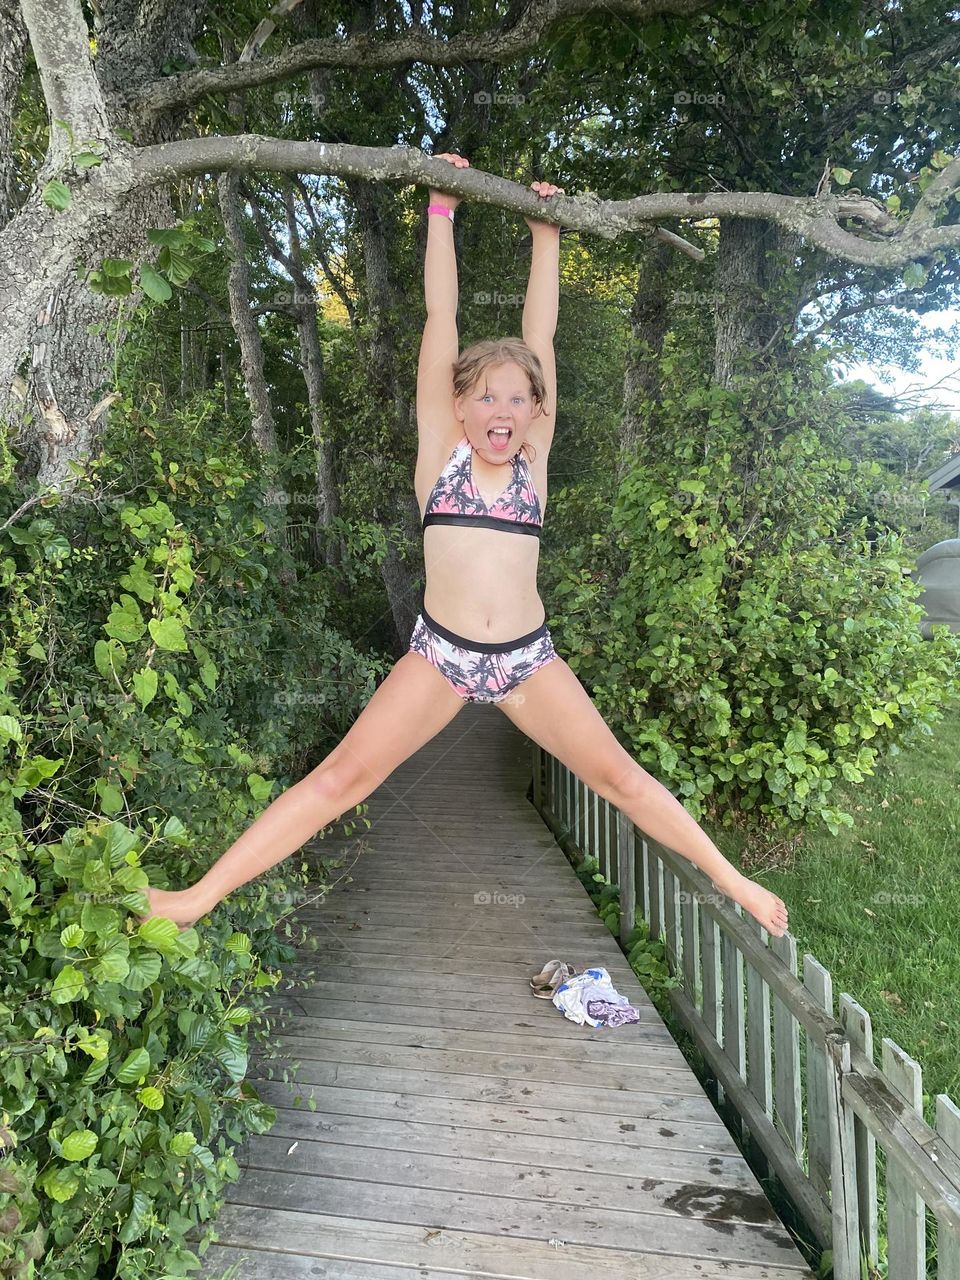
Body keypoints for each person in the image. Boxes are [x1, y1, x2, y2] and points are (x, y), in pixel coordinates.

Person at [139, 152, 789, 941]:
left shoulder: (532, 465)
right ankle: (197, 897)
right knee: (342, 776)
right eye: (485, 395)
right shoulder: (441, 458)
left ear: (535, 412)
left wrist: (546, 235)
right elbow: (440, 322)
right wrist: (440, 210)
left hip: (527, 659)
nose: (502, 407)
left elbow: (538, 333)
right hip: (440, 656)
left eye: (518, 397)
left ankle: (734, 880)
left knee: (622, 777)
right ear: (457, 405)